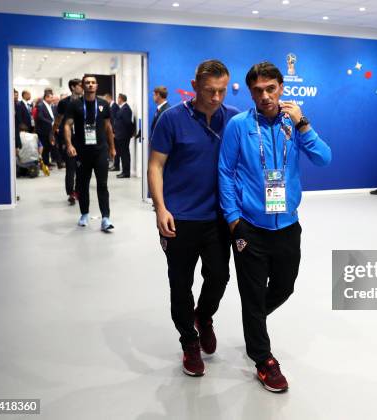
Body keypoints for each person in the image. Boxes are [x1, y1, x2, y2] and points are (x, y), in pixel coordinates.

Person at [218, 61, 331, 392]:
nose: (265, 95)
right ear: (251, 91)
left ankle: (253, 321)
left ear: (281, 88)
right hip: (249, 225)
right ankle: (263, 359)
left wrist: (304, 124)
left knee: (284, 286)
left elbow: (324, 158)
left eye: (271, 88)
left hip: (287, 225)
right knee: (252, 295)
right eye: (258, 90)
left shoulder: (293, 124)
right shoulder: (239, 125)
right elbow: (225, 171)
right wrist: (233, 219)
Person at [148, 59, 239, 377]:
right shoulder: (172, 119)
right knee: (180, 284)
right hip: (180, 218)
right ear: (195, 85)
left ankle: (205, 315)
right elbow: (156, 166)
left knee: (219, 276)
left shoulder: (234, 119)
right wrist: (160, 208)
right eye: (210, 90)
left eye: (222, 90)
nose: (216, 97)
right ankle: (189, 342)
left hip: (218, 217)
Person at [63, 75, 116, 231]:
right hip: (82, 151)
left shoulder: (104, 104)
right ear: (83, 85)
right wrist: (69, 144)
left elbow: (108, 127)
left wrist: (112, 147)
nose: (90, 85)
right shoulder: (75, 104)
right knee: (83, 185)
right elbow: (67, 125)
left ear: (96, 86)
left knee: (102, 185)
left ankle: (105, 218)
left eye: (93, 83)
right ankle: (84, 214)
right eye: (87, 83)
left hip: (100, 151)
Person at [54, 79, 83, 205]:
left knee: (82, 168)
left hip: (83, 139)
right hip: (68, 139)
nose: (82, 87)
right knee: (71, 167)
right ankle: (70, 192)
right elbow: (58, 121)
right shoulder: (63, 103)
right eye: (80, 85)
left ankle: (78, 191)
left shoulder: (85, 102)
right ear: (72, 87)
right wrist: (53, 134)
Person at [113, 94, 135, 178]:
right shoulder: (122, 108)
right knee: (123, 154)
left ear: (121, 99)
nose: (117, 100)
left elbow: (128, 123)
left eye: (118, 98)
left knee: (125, 154)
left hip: (123, 136)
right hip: (120, 135)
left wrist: (129, 134)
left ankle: (126, 173)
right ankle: (124, 171)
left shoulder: (125, 109)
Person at [36, 89, 56, 167]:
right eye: (51, 97)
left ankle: (47, 162)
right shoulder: (41, 105)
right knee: (44, 147)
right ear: (46, 98)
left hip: (49, 130)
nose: (52, 99)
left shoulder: (50, 106)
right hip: (42, 130)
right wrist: (50, 122)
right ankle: (44, 164)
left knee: (48, 147)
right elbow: (40, 117)